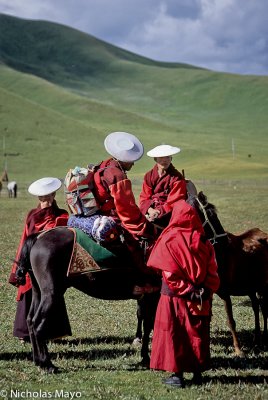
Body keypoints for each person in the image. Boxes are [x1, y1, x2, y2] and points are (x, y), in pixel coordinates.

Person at [147, 199, 220, 388]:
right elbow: (213, 270)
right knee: (196, 333)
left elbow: (169, 274)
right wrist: (205, 291)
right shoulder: (203, 240)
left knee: (174, 334)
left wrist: (187, 290)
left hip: (174, 298)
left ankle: (177, 376)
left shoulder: (169, 238)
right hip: (200, 297)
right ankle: (197, 374)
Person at [92, 131, 159, 292]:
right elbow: (127, 211)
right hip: (111, 217)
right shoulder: (118, 175)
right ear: (124, 160)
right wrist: (147, 228)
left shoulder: (104, 164)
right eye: (131, 161)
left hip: (96, 213)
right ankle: (142, 282)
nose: (133, 164)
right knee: (136, 243)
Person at [9, 177, 69, 342]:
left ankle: (53, 332)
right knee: (29, 291)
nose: (46, 200)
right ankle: (25, 333)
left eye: (48, 196)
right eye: (42, 197)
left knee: (51, 292)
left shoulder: (62, 214)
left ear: (54, 195)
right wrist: (20, 264)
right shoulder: (32, 215)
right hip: (31, 261)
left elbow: (58, 235)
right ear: (38, 198)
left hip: (50, 264)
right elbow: (25, 239)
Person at [139, 144, 187, 227]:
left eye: (168, 157)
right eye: (161, 157)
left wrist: (158, 211)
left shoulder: (177, 178)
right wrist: (150, 210)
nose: (165, 160)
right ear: (155, 159)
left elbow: (174, 202)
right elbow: (144, 197)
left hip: (167, 212)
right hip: (150, 210)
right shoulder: (149, 176)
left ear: (171, 159)